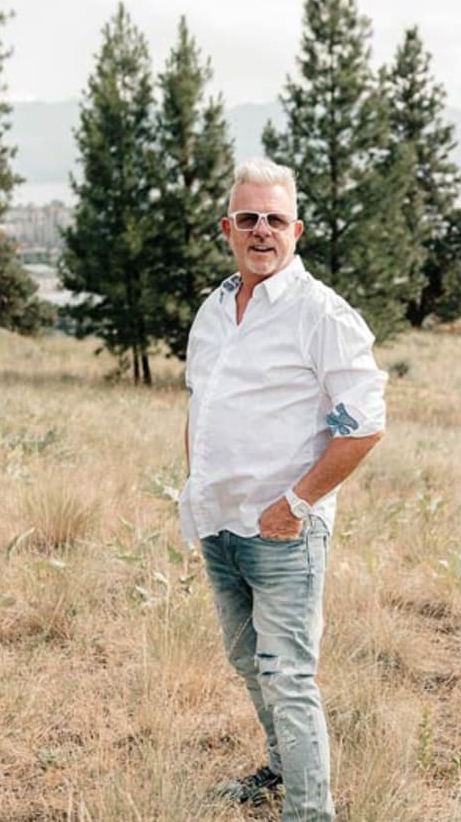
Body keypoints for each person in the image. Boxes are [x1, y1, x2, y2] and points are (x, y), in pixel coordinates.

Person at [179, 158, 386, 822]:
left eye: (274, 219)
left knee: (288, 676)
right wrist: (197, 491)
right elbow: (199, 403)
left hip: (284, 532)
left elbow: (364, 424)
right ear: (228, 229)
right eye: (248, 218)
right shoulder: (214, 310)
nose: (261, 230)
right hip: (220, 523)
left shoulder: (320, 314)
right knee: (248, 661)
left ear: (296, 230)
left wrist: (294, 505)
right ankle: (277, 769)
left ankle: (309, 811)